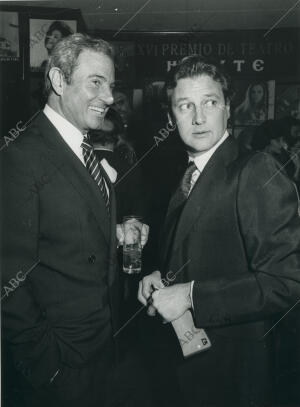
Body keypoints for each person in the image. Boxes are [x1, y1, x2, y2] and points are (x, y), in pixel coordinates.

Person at [138, 56, 300, 407]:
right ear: (171, 118)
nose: (198, 117)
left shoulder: (255, 170)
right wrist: (161, 277)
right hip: (193, 366)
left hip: (236, 376)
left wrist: (190, 296)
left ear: (229, 108)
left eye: (210, 102)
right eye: (185, 106)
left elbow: (286, 282)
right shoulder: (187, 173)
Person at [1, 33, 150, 407]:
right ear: (58, 80)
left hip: (104, 351)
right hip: (60, 368)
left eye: (111, 85)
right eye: (95, 82)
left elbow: (62, 233)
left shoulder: (81, 148)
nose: (110, 97)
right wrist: (48, 366)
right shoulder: (21, 157)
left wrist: (113, 235)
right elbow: (7, 278)